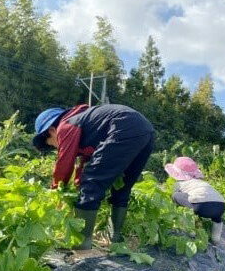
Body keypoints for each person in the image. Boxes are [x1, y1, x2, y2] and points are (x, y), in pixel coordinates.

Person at [33, 103, 155, 250]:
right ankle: (115, 238)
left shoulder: (65, 125)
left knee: (91, 184)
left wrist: (56, 190)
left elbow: (64, 163)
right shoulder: (85, 122)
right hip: (146, 130)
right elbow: (87, 162)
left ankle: (82, 243)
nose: (56, 147)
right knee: (123, 185)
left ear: (52, 130)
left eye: (52, 144)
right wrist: (78, 183)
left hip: (123, 125)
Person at [164, 157, 225, 245]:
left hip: (201, 206)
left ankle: (191, 230)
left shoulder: (179, 183)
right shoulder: (202, 183)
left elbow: (179, 198)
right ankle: (216, 239)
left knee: (175, 195)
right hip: (221, 206)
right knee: (217, 218)